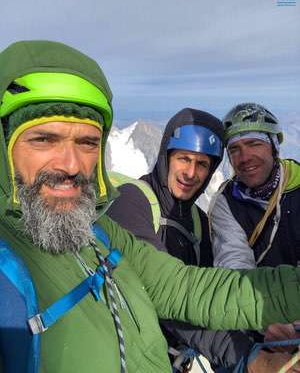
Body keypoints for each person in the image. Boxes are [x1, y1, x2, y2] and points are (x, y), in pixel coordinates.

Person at [0, 42, 300, 373]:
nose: (71, 165)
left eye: (87, 143)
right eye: (44, 139)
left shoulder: (100, 232)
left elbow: (184, 289)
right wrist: (248, 357)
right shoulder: (132, 204)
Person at [107, 108, 256, 371]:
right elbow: (167, 294)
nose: (190, 173)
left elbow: (211, 293)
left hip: (178, 358)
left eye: (202, 164)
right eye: (183, 159)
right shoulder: (131, 202)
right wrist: (246, 356)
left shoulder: (198, 220)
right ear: (166, 157)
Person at [209, 102, 300, 359]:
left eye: (254, 144)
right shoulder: (226, 203)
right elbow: (235, 266)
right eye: (235, 149)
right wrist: (265, 320)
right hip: (266, 325)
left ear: (274, 146)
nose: (245, 157)